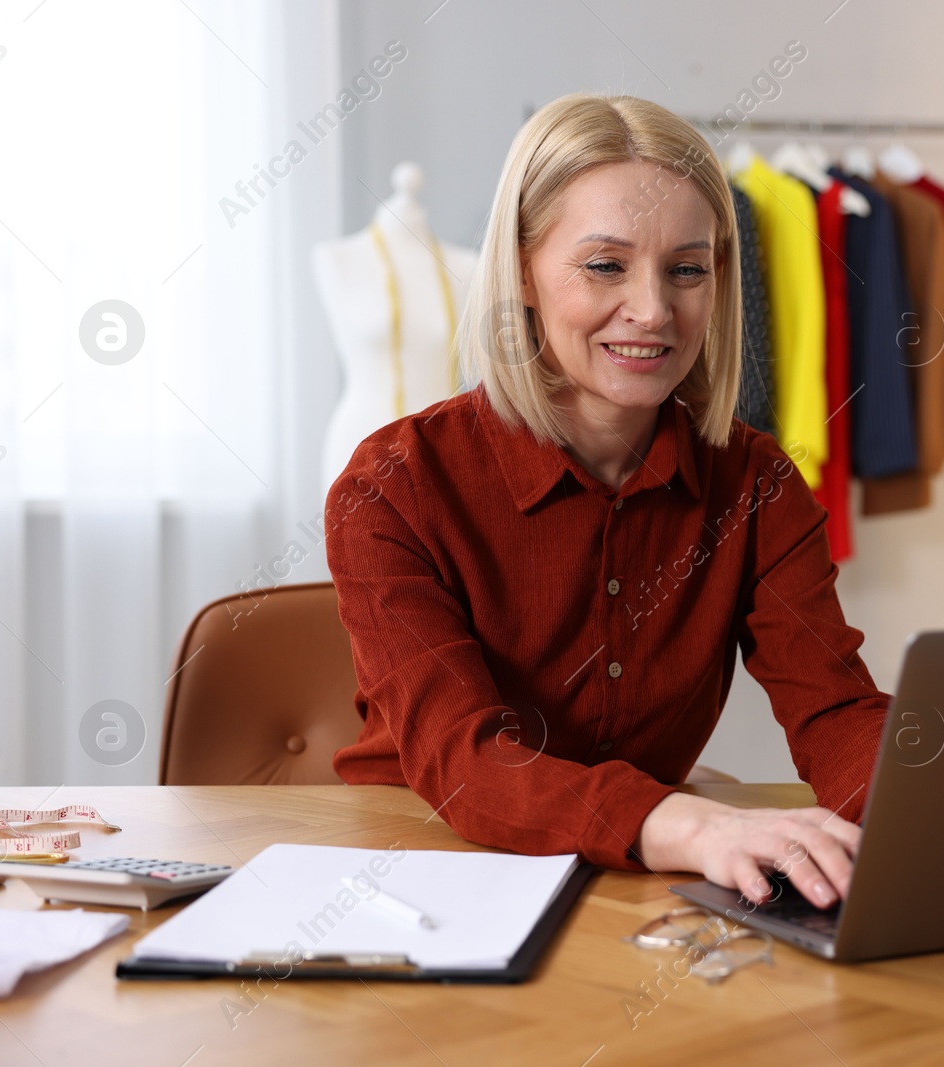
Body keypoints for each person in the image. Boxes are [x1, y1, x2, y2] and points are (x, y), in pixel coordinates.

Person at [325, 93, 887, 909]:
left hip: (631, 886)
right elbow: (464, 759)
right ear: (522, 268)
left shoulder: (756, 485)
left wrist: (899, 834)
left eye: (686, 269)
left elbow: (835, 707)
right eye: (605, 265)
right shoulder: (391, 487)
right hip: (414, 877)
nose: (654, 310)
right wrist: (691, 826)